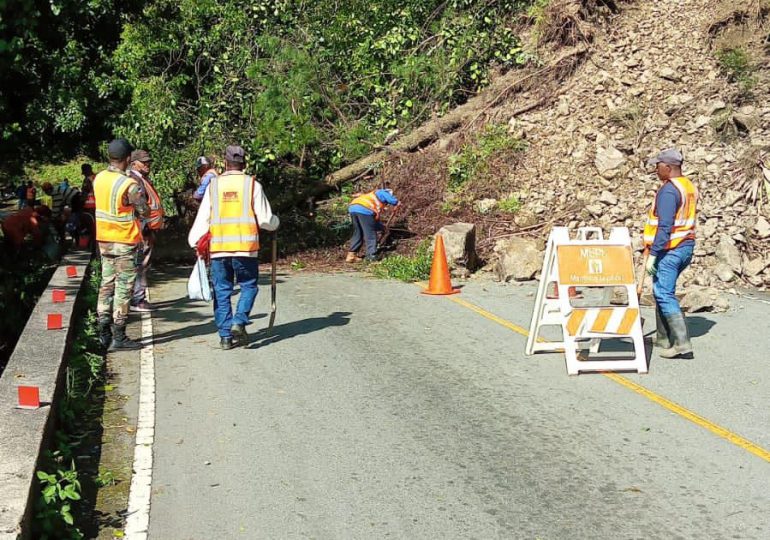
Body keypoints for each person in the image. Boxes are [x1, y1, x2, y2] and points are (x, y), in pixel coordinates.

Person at [188, 145, 279, 350]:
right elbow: (265, 220)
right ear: (244, 163)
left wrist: (194, 241)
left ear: (224, 162)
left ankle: (225, 337)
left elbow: (203, 218)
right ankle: (239, 320)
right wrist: (276, 223)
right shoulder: (252, 185)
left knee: (222, 291)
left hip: (219, 248)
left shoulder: (214, 186)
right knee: (248, 285)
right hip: (245, 248)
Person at [94, 138, 150, 351]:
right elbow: (144, 210)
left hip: (104, 241)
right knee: (124, 289)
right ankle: (119, 336)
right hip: (125, 242)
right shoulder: (129, 185)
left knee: (106, 285)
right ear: (127, 159)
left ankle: (103, 334)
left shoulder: (98, 179)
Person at [643, 148, 698, 359]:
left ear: (668, 167)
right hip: (686, 245)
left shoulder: (668, 191)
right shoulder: (687, 186)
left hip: (671, 249)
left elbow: (664, 226)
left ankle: (682, 345)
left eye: (658, 166)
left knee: (664, 293)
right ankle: (663, 337)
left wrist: (654, 254)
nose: (656, 170)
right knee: (662, 289)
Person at [128, 149, 165, 312]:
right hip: (142, 230)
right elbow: (140, 207)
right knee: (140, 264)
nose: (147, 164)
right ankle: (138, 299)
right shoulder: (135, 180)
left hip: (146, 230)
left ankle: (137, 297)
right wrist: (145, 228)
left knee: (142, 263)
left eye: (148, 161)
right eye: (144, 162)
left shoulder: (142, 179)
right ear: (134, 163)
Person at [346, 186, 399, 262]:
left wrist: (382, 228)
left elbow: (373, 222)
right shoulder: (383, 192)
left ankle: (351, 255)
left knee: (358, 233)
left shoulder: (371, 198)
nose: (386, 203)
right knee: (370, 234)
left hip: (353, 208)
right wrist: (397, 202)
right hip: (364, 209)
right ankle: (371, 256)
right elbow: (392, 200)